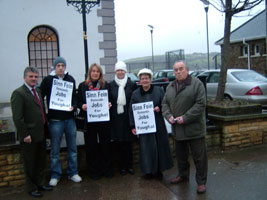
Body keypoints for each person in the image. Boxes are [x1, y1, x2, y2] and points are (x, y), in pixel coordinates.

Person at [162, 61, 208, 194]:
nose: (178, 72)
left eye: (181, 69)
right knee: (181, 156)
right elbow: (164, 103)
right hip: (178, 129)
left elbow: (200, 104)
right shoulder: (170, 86)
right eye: (176, 70)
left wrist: (185, 117)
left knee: (199, 158)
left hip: (194, 129)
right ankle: (183, 175)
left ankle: (201, 182)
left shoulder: (196, 84)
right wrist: (168, 116)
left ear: (187, 70)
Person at [11, 67, 52, 198]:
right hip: (29, 135)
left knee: (40, 161)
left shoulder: (38, 91)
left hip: (40, 133)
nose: (34, 79)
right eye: (31, 77)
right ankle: (31, 187)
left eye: (35, 76)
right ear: (25, 78)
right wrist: (25, 135)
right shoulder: (18, 93)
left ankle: (40, 183)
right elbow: (18, 117)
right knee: (30, 163)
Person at [40, 57, 82, 186]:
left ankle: (73, 172)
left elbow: (74, 97)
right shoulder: (48, 80)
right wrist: (45, 114)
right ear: (54, 67)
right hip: (55, 120)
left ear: (65, 67)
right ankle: (55, 175)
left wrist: (74, 106)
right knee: (55, 150)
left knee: (72, 148)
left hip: (69, 119)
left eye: (62, 65)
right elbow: (41, 97)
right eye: (58, 65)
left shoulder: (70, 79)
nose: (60, 68)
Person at [129, 68, 173, 179]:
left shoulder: (159, 90)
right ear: (139, 80)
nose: (145, 80)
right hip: (144, 125)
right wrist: (133, 125)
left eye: (147, 78)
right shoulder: (135, 94)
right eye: (142, 78)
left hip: (157, 123)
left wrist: (160, 108)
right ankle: (148, 171)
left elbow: (165, 104)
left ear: (150, 79)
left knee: (159, 147)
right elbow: (131, 110)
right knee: (146, 148)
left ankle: (159, 170)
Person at [77, 63, 113, 180]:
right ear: (89, 73)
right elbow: (77, 101)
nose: (95, 73)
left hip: (103, 120)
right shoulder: (82, 86)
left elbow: (111, 99)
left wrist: (109, 104)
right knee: (91, 146)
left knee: (105, 145)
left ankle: (107, 170)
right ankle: (93, 171)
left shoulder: (105, 85)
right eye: (93, 71)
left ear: (100, 74)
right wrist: (82, 105)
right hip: (89, 121)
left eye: (97, 71)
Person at [109, 61, 137, 176]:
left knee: (128, 144)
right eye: (118, 70)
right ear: (115, 71)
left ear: (125, 71)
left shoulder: (131, 84)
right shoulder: (110, 85)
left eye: (122, 70)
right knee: (119, 144)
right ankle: (121, 167)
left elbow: (135, 100)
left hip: (128, 118)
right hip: (116, 119)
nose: (120, 72)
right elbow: (108, 100)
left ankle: (129, 166)